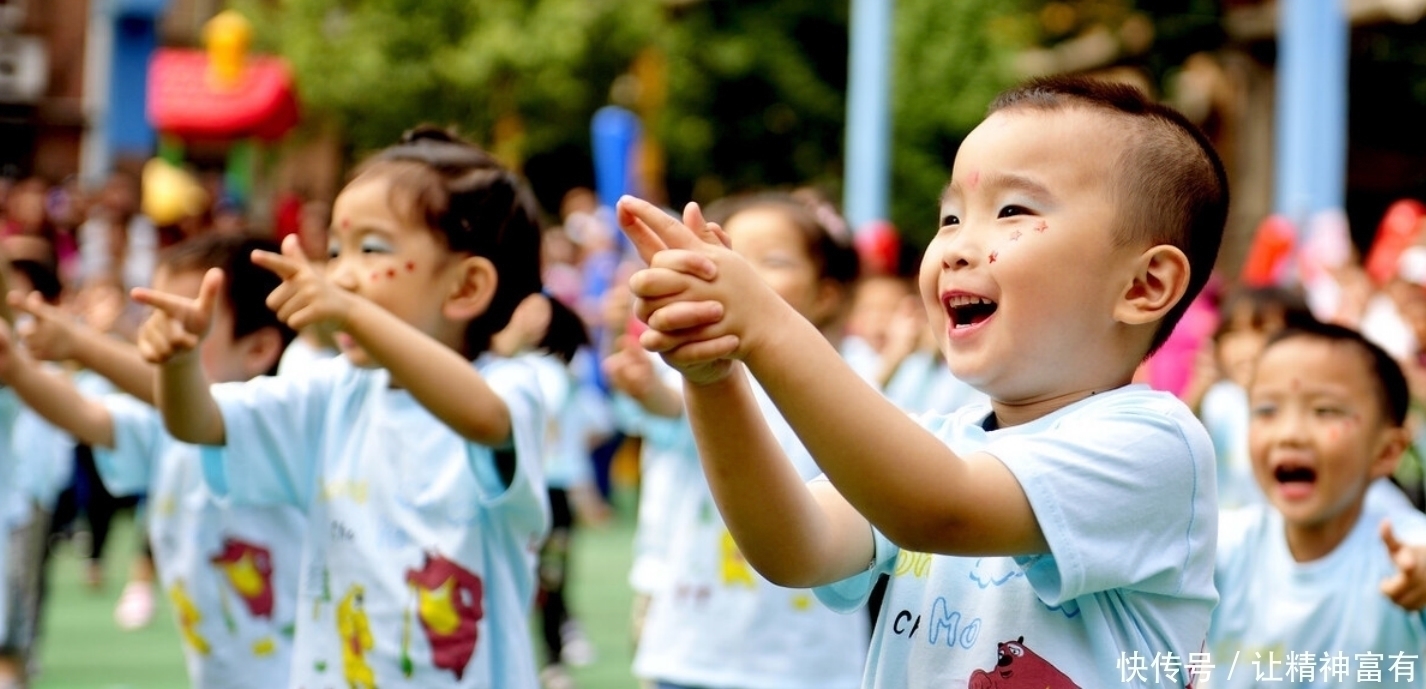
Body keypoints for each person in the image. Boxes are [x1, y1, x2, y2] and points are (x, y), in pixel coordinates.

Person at [615, 76, 1227, 686]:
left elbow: (942, 510)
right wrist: (713, 375)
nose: (957, 247)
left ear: (1144, 286)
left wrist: (768, 324)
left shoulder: (1154, 445)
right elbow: (793, 547)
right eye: (951, 216)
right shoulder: (940, 439)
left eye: (1012, 210)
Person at [135, 126, 551, 689]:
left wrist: (353, 315)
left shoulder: (510, 388)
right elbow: (200, 424)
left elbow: (483, 418)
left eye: (371, 249)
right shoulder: (331, 394)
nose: (340, 273)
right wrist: (180, 364)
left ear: (465, 287)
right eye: (334, 251)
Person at [0, 233, 305, 689]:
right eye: (156, 317)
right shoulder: (165, 427)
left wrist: (81, 345)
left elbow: (204, 404)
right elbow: (88, 415)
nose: (160, 336)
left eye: (189, 323)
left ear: (259, 349)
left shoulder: (279, 424)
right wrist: (17, 368)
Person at [612, 192, 871, 689]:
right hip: (692, 653)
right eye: (729, 259)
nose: (742, 275)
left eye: (771, 261)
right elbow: (669, 406)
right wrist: (648, 386)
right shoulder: (698, 372)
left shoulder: (852, 380)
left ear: (827, 295)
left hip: (808, 664)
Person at [1208, 321, 1426, 688]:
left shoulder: (1405, 551)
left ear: (1386, 451)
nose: (1290, 433)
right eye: (1266, 410)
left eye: (1325, 411)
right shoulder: (1223, 547)